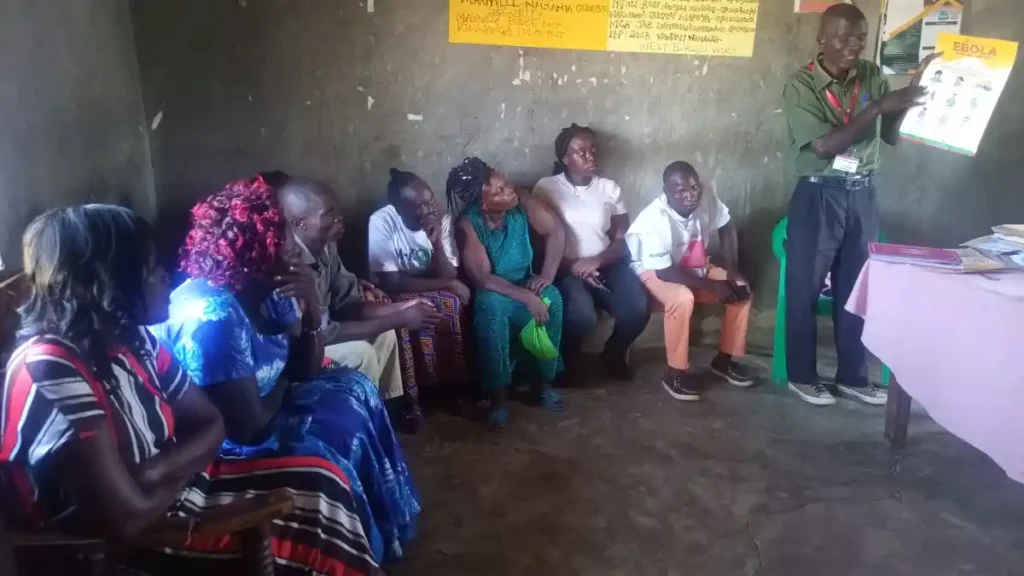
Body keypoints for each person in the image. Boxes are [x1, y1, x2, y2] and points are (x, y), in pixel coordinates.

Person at [1, 205, 379, 575]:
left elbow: (210, 424)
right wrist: (176, 469)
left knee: (322, 478)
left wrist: (153, 473)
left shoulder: (131, 339)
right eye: (151, 269)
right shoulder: (53, 369)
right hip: (127, 546)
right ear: (109, 282)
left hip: (168, 496)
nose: (165, 276)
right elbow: (126, 520)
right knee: (310, 523)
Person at [151, 178, 419, 564]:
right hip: (225, 444)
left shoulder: (271, 287)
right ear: (256, 248)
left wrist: (311, 310)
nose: (297, 250)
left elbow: (305, 367)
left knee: (356, 389)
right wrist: (290, 380)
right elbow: (250, 427)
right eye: (287, 240)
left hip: (267, 403)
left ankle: (377, 535)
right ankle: (334, 555)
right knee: (329, 448)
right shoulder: (213, 317)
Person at [782, 3, 938, 406]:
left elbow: (888, 134)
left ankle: (853, 376)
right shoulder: (800, 86)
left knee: (855, 290)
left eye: (860, 38)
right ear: (821, 40)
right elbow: (824, 146)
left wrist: (905, 102)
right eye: (842, 37)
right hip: (819, 193)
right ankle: (802, 375)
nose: (853, 46)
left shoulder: (870, 75)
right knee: (805, 290)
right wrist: (877, 107)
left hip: (862, 193)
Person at [276, 176, 443, 431]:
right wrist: (401, 317)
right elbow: (323, 332)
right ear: (299, 222)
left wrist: (405, 308)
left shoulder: (327, 249)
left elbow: (350, 304)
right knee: (360, 353)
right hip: (295, 352)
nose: (338, 219)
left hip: (320, 334)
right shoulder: (289, 264)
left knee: (385, 334)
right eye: (328, 214)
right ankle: (360, 424)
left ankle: (386, 411)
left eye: (336, 211)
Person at [447, 157, 567, 432]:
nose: (509, 190)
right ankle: (497, 397)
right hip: (494, 292)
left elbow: (555, 230)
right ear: (484, 204)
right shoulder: (469, 224)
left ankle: (542, 384)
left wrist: (546, 276)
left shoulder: (520, 205)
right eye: (499, 191)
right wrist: (526, 298)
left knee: (554, 298)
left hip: (524, 282)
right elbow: (482, 278)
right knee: (491, 309)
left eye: (506, 184)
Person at [626, 161, 755, 402]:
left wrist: (732, 273)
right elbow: (664, 272)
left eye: (694, 188)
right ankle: (675, 372)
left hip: (692, 266)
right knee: (682, 298)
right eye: (680, 191)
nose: (690, 196)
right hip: (654, 270)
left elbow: (726, 226)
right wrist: (712, 285)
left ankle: (724, 361)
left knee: (740, 290)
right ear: (667, 193)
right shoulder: (655, 219)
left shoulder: (705, 197)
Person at [532, 124, 650, 381]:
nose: (590, 156)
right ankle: (567, 358)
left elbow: (622, 239)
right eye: (581, 152)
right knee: (581, 317)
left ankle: (613, 353)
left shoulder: (610, 188)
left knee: (637, 309)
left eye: (592, 150)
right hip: (565, 268)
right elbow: (541, 239)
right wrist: (573, 266)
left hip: (606, 263)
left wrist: (597, 260)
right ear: (566, 159)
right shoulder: (546, 188)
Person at [368, 168, 471, 396]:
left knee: (451, 307)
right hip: (395, 291)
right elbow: (392, 282)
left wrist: (437, 246)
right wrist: (447, 285)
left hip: (429, 284)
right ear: (399, 210)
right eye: (419, 206)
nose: (429, 209)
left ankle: (455, 389)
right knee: (409, 318)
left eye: (430, 200)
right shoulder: (381, 222)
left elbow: (450, 273)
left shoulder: (442, 217)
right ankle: (413, 398)